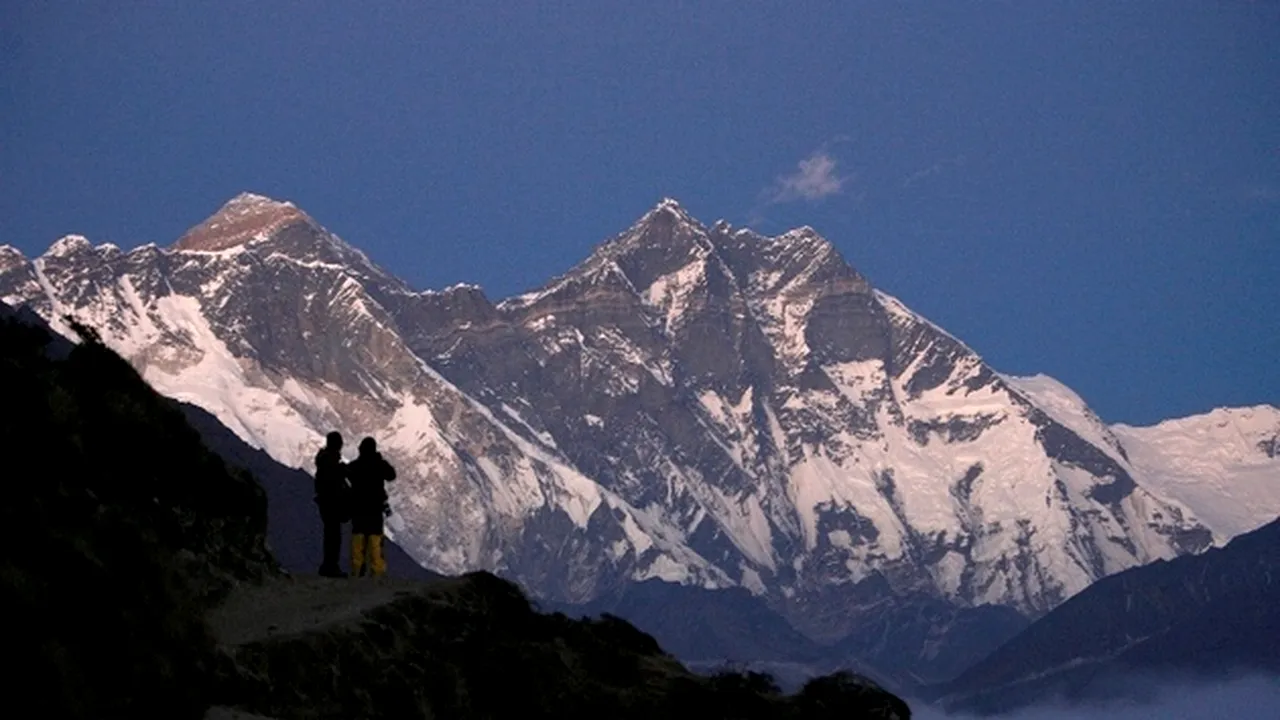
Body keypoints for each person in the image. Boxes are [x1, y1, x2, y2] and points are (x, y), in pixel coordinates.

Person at [346, 436, 397, 577]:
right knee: (375, 540)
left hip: (358, 507)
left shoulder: (355, 466)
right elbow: (391, 475)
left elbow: (346, 473)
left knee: (358, 538)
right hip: (375, 507)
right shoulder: (379, 465)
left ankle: (357, 570)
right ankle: (377, 571)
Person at [313, 431, 350, 578]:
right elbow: (335, 482)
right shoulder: (331, 462)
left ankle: (328, 565)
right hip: (332, 503)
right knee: (333, 536)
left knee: (331, 534)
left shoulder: (324, 461)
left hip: (325, 503)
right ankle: (331, 566)